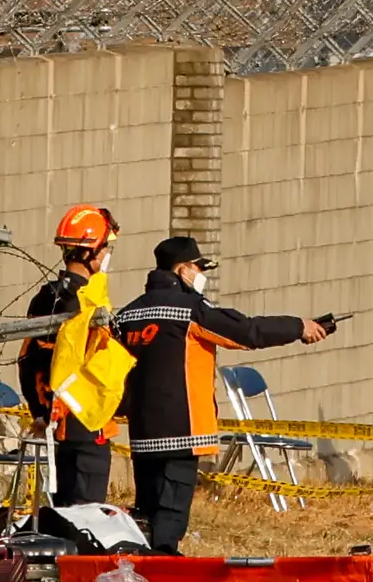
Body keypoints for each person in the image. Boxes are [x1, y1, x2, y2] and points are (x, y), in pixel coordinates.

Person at [109, 236, 336, 556]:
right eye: (199, 268)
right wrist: (299, 327)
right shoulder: (189, 310)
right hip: (183, 430)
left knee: (146, 517)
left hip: (143, 432)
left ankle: (140, 570)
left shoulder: (128, 314)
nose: (202, 275)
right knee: (169, 523)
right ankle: (163, 572)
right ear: (183, 269)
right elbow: (247, 332)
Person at [19, 204, 123, 505]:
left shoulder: (46, 297)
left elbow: (27, 360)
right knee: (85, 516)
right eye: (105, 247)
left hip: (54, 425)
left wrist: (40, 413)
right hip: (85, 424)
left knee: (61, 513)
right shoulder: (87, 301)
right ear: (90, 252)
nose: (107, 254)